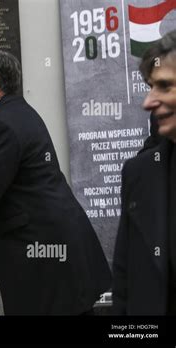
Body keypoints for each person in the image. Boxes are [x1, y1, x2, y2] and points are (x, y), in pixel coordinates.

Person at [0, 50, 111, 315]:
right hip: (56, 237)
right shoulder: (18, 112)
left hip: (41, 245)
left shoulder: (0, 124)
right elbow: (3, 164)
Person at [113, 29, 176, 315]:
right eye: (150, 87)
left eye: (164, 86)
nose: (148, 102)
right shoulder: (139, 175)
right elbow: (125, 282)